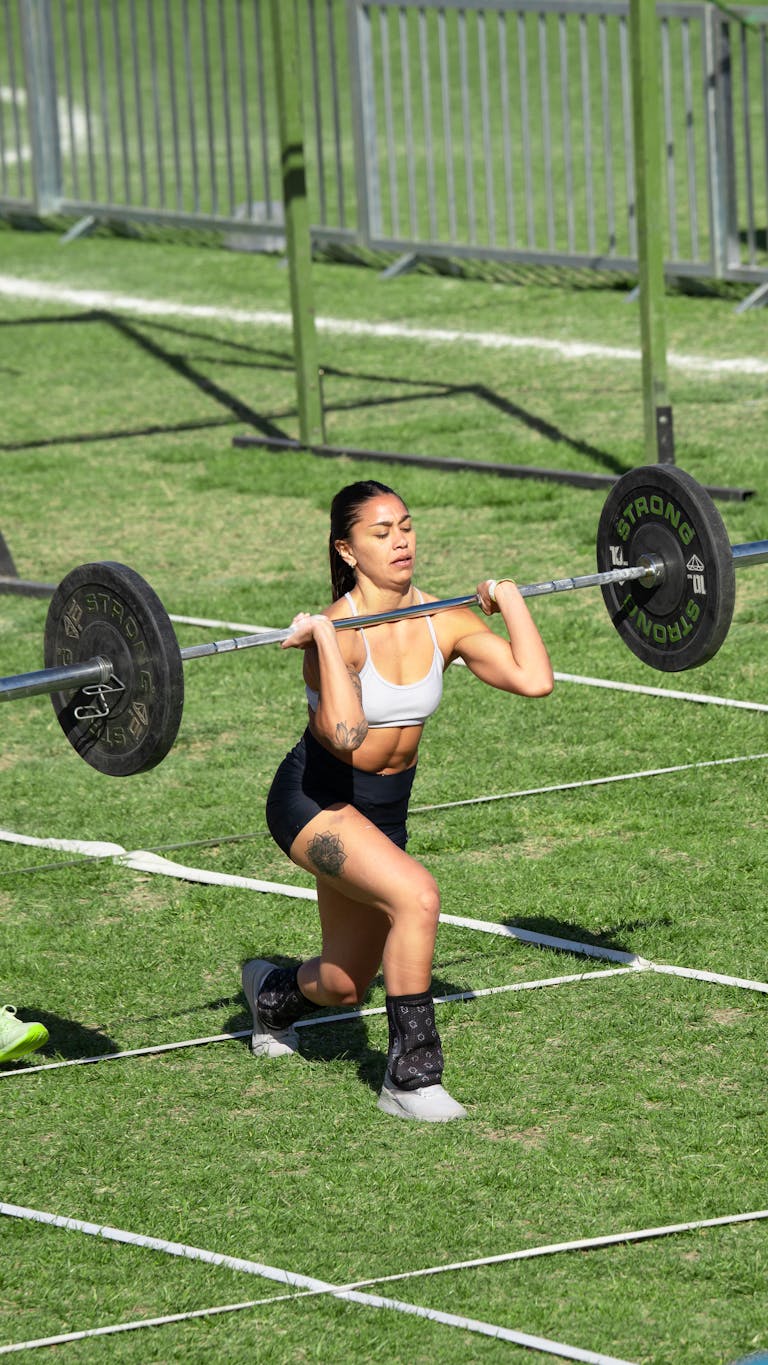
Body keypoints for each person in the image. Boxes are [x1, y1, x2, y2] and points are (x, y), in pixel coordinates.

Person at [244, 479, 553, 1121]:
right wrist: (327, 642)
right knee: (418, 896)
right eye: (381, 533)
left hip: (384, 811)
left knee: (343, 983)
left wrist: (510, 598)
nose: (401, 541)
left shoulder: (444, 618)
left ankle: (270, 996)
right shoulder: (336, 632)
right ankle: (410, 1079)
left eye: (405, 527)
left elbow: (534, 679)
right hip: (316, 801)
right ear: (348, 550)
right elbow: (347, 733)